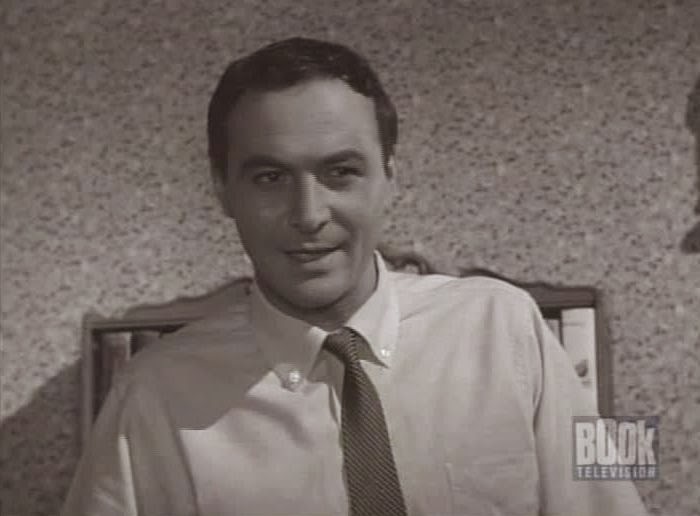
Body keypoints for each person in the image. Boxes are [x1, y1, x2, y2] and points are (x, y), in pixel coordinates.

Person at [62, 37, 649, 515]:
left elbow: (610, 503)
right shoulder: (151, 396)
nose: (308, 215)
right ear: (223, 191)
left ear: (389, 176)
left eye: (340, 172)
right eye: (269, 178)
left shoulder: (507, 325)